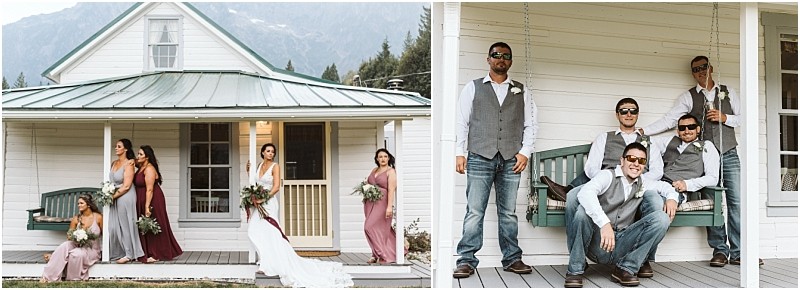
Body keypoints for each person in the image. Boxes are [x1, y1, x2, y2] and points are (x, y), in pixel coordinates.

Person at [640, 56, 761, 267]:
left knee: (736, 202)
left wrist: (725, 118)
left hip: (729, 152)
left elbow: (745, 117)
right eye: (696, 69)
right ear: (693, 73)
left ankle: (740, 251)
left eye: (704, 67)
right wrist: (644, 131)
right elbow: (670, 120)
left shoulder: (728, 91)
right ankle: (720, 250)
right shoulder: (688, 97)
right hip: (703, 157)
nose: (701, 71)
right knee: (713, 201)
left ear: (711, 68)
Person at [453, 41, 538, 278]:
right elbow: (462, 121)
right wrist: (459, 152)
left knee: (508, 212)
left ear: (510, 61)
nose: (501, 58)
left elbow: (531, 124)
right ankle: (466, 260)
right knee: (474, 211)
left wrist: (525, 152)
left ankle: (512, 258)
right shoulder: (473, 87)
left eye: (506, 55)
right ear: (488, 58)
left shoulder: (522, 91)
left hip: (512, 158)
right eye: (496, 55)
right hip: (479, 156)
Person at [564, 143, 676, 288]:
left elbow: (666, 187)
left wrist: (672, 198)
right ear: (622, 160)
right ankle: (575, 270)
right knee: (582, 212)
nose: (636, 164)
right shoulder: (607, 176)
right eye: (631, 159)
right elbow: (585, 193)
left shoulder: (643, 182)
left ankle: (625, 268)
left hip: (624, 244)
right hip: (598, 244)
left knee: (661, 218)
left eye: (641, 161)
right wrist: (604, 224)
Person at [245, 143, 353, 287]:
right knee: (256, 230)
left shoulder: (275, 166)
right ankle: (266, 259)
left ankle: (268, 264)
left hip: (269, 203)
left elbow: (276, 187)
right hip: (258, 203)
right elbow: (255, 182)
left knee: (271, 231)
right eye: (268, 151)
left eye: (273, 152)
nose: (271, 154)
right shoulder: (259, 165)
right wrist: (249, 172)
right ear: (263, 152)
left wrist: (263, 199)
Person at [540, 98, 664, 201]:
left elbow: (657, 170)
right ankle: (567, 192)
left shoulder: (649, 141)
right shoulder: (604, 138)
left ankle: (567, 191)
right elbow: (591, 167)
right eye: (624, 111)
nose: (629, 114)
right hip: (608, 185)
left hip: (637, 184)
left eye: (633, 111)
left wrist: (637, 180)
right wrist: (609, 180)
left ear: (638, 114)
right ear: (617, 115)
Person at [135, 145, 183, 263]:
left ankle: (157, 253)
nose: (138, 156)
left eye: (140, 154)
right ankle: (147, 251)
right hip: (142, 197)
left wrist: (147, 206)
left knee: (154, 224)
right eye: (138, 154)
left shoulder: (149, 169)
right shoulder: (141, 167)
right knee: (145, 226)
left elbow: (150, 189)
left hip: (153, 199)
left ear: (147, 157)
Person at [40, 194, 103, 282]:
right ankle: (48, 277)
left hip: (91, 249)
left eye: (81, 203)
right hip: (77, 244)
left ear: (88, 204)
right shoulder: (76, 218)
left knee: (75, 254)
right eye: (78, 203)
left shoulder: (98, 217)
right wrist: (76, 236)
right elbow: (69, 236)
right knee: (64, 246)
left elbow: (105, 234)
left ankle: (72, 278)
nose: (79, 205)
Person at [363, 148, 407, 264]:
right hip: (370, 203)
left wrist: (389, 207)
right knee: (375, 229)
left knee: (369, 227)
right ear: (377, 159)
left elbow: (391, 190)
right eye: (380, 156)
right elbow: (368, 184)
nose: (383, 159)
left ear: (388, 158)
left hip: (382, 203)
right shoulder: (374, 170)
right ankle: (374, 254)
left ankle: (382, 253)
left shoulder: (391, 172)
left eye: (385, 156)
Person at [108, 138, 144, 264]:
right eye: (116, 146)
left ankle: (129, 254)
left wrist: (111, 197)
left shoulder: (129, 164)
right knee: (113, 226)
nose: (116, 148)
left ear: (126, 149)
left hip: (125, 196)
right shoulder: (114, 163)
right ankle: (119, 251)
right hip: (115, 195)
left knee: (126, 225)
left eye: (119, 146)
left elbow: (127, 185)